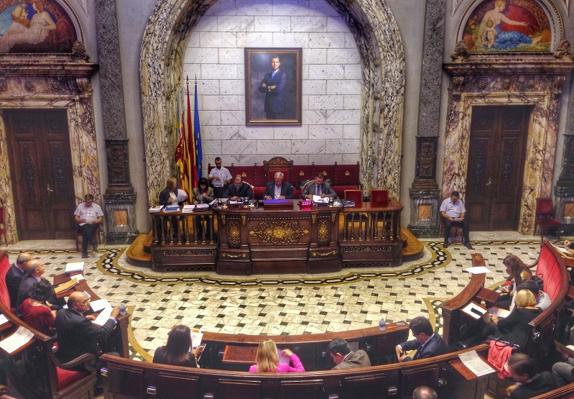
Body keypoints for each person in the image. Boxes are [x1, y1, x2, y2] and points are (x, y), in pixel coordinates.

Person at [55, 291, 120, 364]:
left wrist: (83, 317)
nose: (88, 303)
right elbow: (103, 333)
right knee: (115, 354)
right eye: (84, 302)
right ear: (75, 305)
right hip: (81, 360)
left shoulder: (61, 312)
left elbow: (72, 323)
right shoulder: (80, 322)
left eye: (88, 300)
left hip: (66, 352)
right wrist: (112, 317)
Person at [74, 194, 104, 258]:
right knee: (86, 228)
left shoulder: (97, 207)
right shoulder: (80, 206)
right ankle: (92, 242)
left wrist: (96, 221)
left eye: (89, 202)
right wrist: (80, 220)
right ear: (84, 200)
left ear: (92, 200)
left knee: (86, 230)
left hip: (93, 224)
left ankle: (84, 252)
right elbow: (76, 217)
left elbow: (100, 218)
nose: (88, 203)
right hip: (82, 224)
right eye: (86, 202)